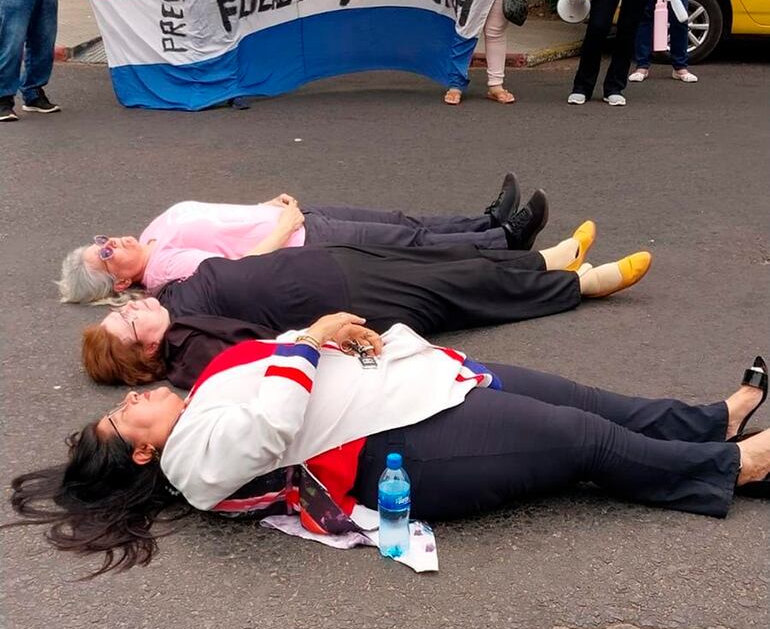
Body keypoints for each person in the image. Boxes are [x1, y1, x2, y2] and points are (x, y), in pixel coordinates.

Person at [9, 321, 768, 575]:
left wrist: (318, 337)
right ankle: (732, 468)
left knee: (585, 399)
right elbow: (273, 423)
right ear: (141, 455)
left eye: (127, 398)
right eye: (126, 418)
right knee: (580, 440)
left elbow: (284, 357)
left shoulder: (198, 384)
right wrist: (308, 343)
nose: (135, 399)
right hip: (402, 447)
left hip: (419, 375)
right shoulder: (188, 465)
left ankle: (710, 420)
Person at [79, 231, 652, 388]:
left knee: (445, 263)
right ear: (147, 349)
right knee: (460, 293)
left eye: (123, 308)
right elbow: (260, 357)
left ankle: (546, 259)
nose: (132, 307)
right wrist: (326, 336)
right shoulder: (187, 347)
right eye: (128, 321)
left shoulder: (171, 303)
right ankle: (581, 286)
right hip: (344, 300)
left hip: (329, 265)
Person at [57, 173, 552, 303]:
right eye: (105, 254)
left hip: (295, 218)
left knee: (404, 221)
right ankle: (506, 241)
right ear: (119, 284)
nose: (112, 243)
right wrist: (283, 226)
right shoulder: (163, 272)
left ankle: (486, 225)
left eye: (101, 239)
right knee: (407, 242)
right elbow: (236, 269)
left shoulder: (151, 235)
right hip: (302, 241)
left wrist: (267, 207)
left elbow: (220, 220)